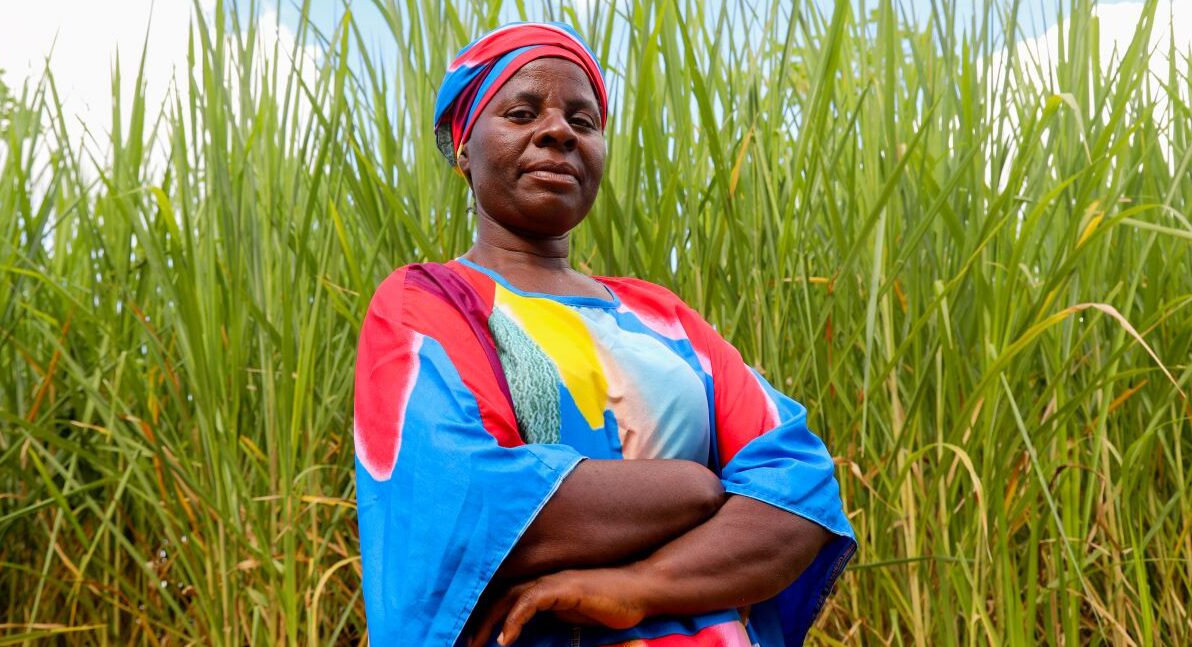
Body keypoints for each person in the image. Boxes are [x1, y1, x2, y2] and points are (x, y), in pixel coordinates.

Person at [351, 21, 855, 647]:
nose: (559, 130)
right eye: (521, 111)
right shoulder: (430, 305)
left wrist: (639, 587)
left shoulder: (663, 318)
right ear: (463, 145)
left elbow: (799, 488)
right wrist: (695, 485)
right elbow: (459, 502)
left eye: (583, 122)